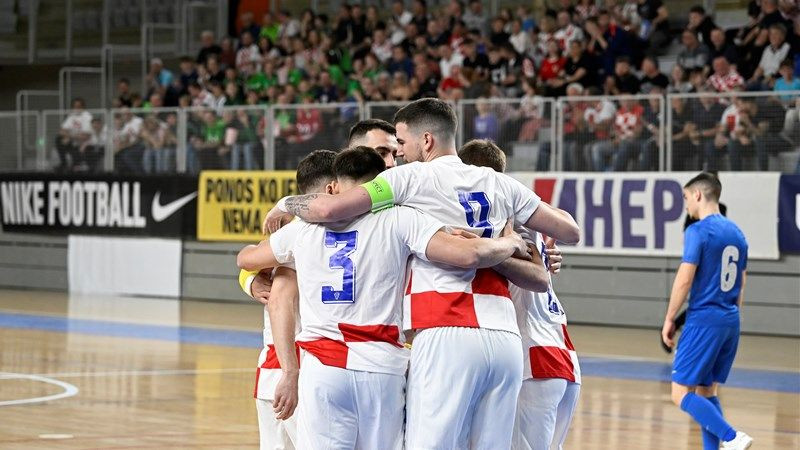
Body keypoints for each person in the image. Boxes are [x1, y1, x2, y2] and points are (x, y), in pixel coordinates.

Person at [263, 98, 580, 449]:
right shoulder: (500, 184)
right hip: (505, 339)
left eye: (401, 143)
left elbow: (327, 207)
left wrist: (284, 203)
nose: (398, 153)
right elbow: (570, 230)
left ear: (426, 140)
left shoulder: (409, 178)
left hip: (446, 328)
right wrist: (506, 242)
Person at [238, 146, 529, 450]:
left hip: (324, 366)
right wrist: (509, 242)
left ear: (335, 187)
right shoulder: (399, 217)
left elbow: (246, 258)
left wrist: (251, 276)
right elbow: (466, 252)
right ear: (382, 184)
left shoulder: (303, 228)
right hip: (382, 366)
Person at [458, 140, 581, 450]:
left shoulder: (501, 221)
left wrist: (478, 249)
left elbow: (536, 275)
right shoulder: (527, 215)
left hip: (535, 356)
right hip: (558, 352)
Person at [239, 149, 337, 450]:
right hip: (296, 364)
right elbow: (273, 288)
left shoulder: (293, 231)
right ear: (332, 187)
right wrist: (250, 280)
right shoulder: (304, 232)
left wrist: (249, 279)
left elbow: (247, 258)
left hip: (280, 366)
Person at [661, 172, 753, 450]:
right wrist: (731, 316)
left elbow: (685, 279)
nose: (687, 205)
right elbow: (742, 282)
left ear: (698, 195)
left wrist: (669, 319)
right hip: (730, 320)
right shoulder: (737, 233)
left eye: (687, 198)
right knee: (706, 391)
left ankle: (732, 436)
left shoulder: (697, 231)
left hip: (704, 320)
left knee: (680, 394)